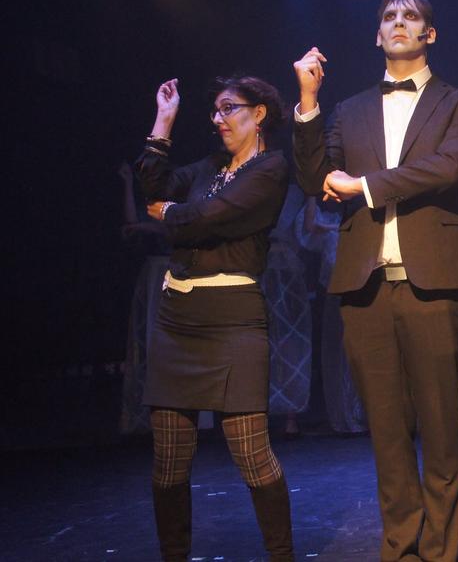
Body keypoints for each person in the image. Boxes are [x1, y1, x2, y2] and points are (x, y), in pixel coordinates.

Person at [292, 0, 458, 561]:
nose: (399, 23)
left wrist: (365, 186)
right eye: (389, 18)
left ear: (430, 34)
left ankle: (440, 552)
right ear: (377, 36)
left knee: (441, 428)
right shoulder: (348, 109)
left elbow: (446, 167)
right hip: (365, 285)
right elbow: (313, 176)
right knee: (386, 429)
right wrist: (308, 101)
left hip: (433, 281)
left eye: (411, 16)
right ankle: (400, 548)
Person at [136, 75, 293, 561]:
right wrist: (164, 122)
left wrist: (172, 214)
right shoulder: (210, 166)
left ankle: (282, 556)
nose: (219, 120)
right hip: (177, 320)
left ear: (259, 113)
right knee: (168, 462)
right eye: (216, 112)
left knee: (252, 454)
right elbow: (153, 189)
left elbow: (213, 216)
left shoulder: (269, 169)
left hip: (233, 321)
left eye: (229, 109)